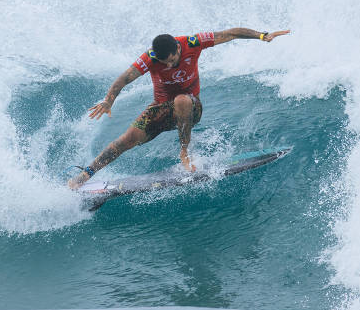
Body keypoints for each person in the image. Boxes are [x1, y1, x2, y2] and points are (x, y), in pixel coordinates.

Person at [67, 28, 290, 189]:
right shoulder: (151, 57)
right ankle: (86, 175)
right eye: (163, 63)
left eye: (171, 60)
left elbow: (229, 34)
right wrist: (109, 100)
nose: (168, 65)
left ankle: (185, 151)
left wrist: (262, 35)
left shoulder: (192, 43)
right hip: (162, 110)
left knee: (182, 100)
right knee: (126, 139)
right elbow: (124, 78)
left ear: (177, 47)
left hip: (191, 108)